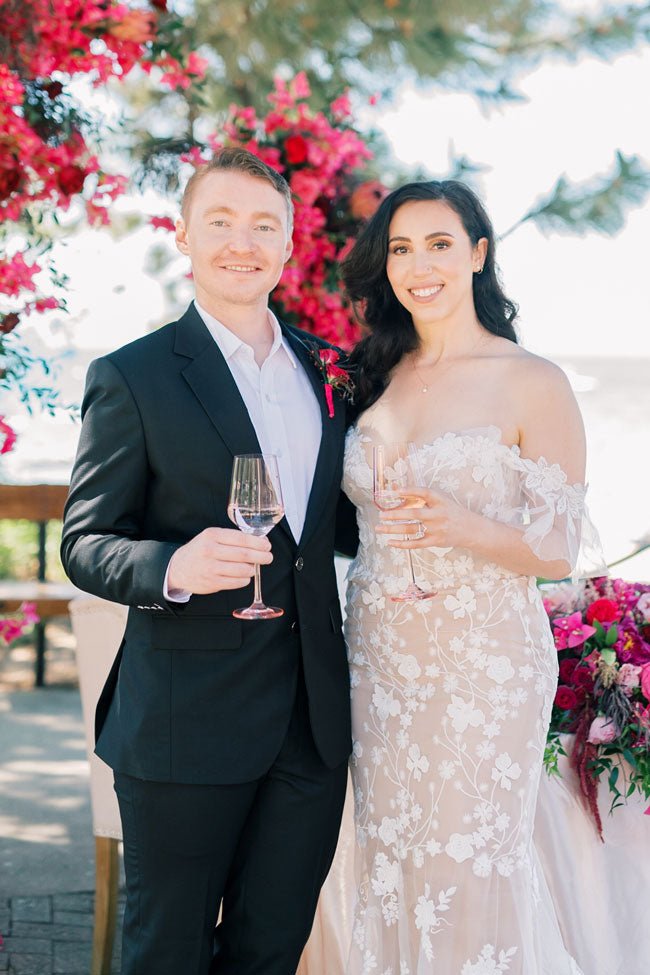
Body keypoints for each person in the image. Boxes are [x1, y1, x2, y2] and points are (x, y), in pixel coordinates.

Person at [61, 147, 357, 975]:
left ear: (289, 245)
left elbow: (337, 528)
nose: (243, 241)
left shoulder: (327, 370)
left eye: (264, 225)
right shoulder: (133, 375)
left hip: (312, 731)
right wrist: (176, 565)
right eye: (220, 222)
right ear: (184, 236)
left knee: (270, 952)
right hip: (183, 729)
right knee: (167, 954)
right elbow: (85, 542)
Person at [334, 180, 603, 973]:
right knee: (390, 863)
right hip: (378, 660)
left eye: (440, 244)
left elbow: (559, 550)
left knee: (466, 867)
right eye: (402, 249)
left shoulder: (532, 380)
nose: (421, 265)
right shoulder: (375, 374)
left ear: (478, 254)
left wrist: (460, 526)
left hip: (483, 667)